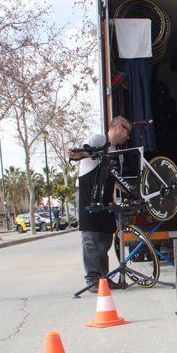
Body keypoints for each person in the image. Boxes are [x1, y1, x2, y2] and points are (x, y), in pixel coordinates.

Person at [67, 116, 132, 293]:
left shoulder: (118, 156)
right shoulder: (99, 139)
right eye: (128, 132)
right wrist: (77, 154)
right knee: (91, 238)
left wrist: (131, 191)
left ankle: (103, 278)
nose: (128, 137)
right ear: (119, 127)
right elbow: (84, 153)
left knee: (105, 237)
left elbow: (116, 180)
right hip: (88, 193)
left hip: (106, 196)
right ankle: (93, 278)